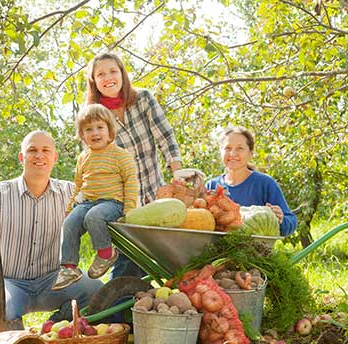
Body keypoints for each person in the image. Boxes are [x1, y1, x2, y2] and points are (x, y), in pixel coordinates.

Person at [0, 130, 103, 324]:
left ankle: (56, 326)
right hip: (9, 283)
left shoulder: (70, 193)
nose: (39, 155)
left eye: (46, 150)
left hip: (54, 281)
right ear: (21, 157)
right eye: (32, 150)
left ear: (54, 157)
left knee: (96, 291)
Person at [85, 52, 182, 277]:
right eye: (101, 74)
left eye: (112, 71)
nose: (108, 77)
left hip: (155, 193)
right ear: (94, 82)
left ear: (122, 73)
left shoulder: (143, 99)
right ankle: (119, 308)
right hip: (123, 202)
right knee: (128, 262)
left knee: (168, 256)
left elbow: (165, 136)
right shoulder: (93, 116)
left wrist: (177, 172)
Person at [51, 104, 138, 290]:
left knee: (94, 216)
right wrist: (69, 208)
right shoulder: (84, 157)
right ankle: (69, 267)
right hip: (88, 202)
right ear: (82, 135)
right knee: (69, 223)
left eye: (100, 127)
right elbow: (79, 185)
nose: (95, 133)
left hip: (113, 203)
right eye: (88, 129)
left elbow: (131, 183)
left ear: (109, 131)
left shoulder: (121, 156)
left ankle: (106, 253)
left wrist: (129, 210)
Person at [205, 126, 297, 236]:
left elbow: (291, 223)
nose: (233, 154)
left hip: (255, 251)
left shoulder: (265, 184)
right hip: (216, 251)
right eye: (228, 148)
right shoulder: (211, 186)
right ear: (220, 151)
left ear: (250, 154)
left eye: (240, 148)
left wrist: (281, 219)